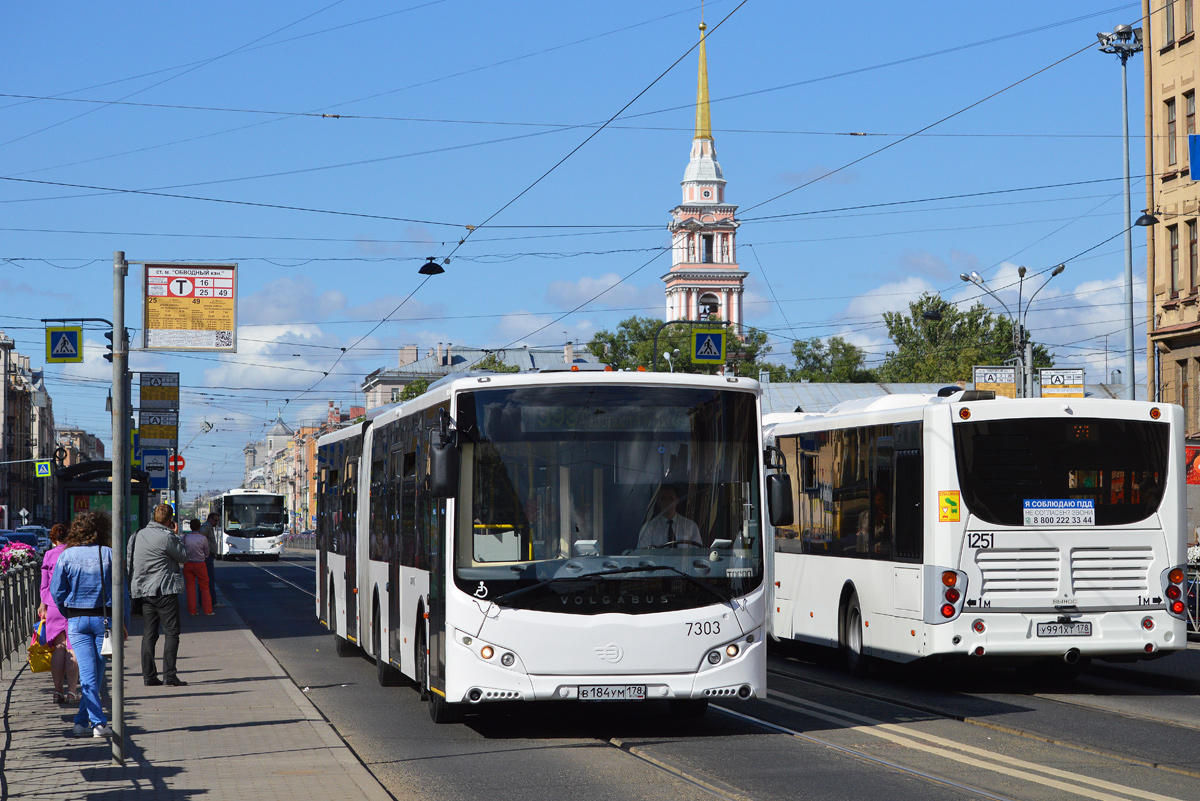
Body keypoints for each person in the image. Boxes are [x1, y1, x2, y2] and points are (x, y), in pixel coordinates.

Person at [50, 511, 129, 738]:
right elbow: (122, 592)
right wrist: (123, 622)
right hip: (104, 621)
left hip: (76, 621)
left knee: (90, 675)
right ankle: (98, 723)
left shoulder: (66, 555)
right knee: (94, 673)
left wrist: (68, 611)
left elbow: (57, 591)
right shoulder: (109, 554)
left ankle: (80, 722)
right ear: (101, 530)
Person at [129, 504, 188, 687]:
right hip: (165, 590)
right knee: (171, 632)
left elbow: (130, 562)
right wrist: (176, 535)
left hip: (144, 591)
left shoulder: (137, 535)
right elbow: (183, 557)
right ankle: (169, 675)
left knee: (149, 633)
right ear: (170, 520)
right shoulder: (167, 537)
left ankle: (149, 676)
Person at [38, 523, 79, 704]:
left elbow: (45, 584)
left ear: (53, 539)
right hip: (73, 604)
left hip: (53, 605)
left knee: (59, 647)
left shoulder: (49, 555)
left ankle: (57, 691)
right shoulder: (74, 553)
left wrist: (43, 604)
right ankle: (71, 691)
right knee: (73, 647)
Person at [637, 484, 702, 549]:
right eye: (663, 499)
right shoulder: (648, 529)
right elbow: (643, 555)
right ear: (658, 502)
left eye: (671, 498)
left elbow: (697, 554)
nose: (667, 502)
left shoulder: (691, 527)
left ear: (676, 500)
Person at [182, 519, 213, 616]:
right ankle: (208, 610)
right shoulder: (202, 538)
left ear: (190, 527)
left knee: (190, 588)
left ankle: (192, 611)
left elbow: (182, 549)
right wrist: (204, 556)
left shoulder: (185, 537)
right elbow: (207, 551)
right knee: (204, 587)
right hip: (200, 563)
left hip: (188, 563)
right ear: (199, 527)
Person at [198, 511, 222, 609]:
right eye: (215, 520)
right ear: (210, 519)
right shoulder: (206, 527)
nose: (216, 523)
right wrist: (206, 550)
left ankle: (204, 601)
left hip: (207, 556)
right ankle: (212, 601)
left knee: (206, 579)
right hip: (207, 556)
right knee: (209, 579)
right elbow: (201, 536)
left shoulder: (209, 527)